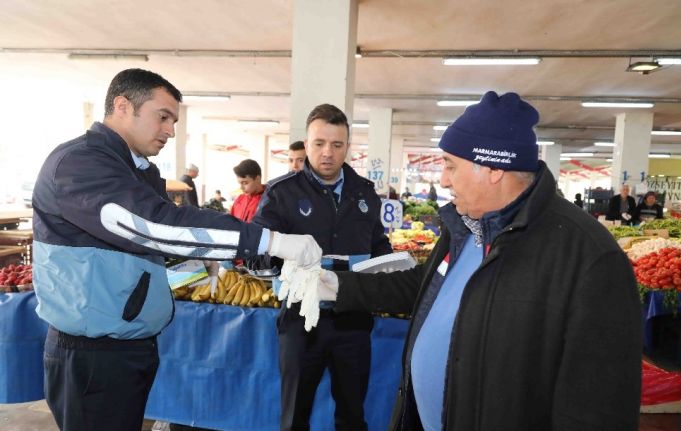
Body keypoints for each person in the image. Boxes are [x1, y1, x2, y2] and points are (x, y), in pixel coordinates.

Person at [313, 91, 642, 430]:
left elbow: (599, 409)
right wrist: (338, 286)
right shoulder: (467, 225)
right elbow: (422, 287)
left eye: (451, 166)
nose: (442, 179)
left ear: (493, 168)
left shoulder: (587, 258)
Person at [31, 68, 322, 431]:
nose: (170, 130)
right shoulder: (80, 164)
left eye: (174, 120)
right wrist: (271, 241)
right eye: (163, 117)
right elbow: (152, 226)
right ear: (123, 106)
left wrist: (198, 254)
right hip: (93, 352)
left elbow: (149, 239)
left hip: (127, 342)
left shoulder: (135, 169)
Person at [253, 104, 392, 431]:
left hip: (354, 320)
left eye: (337, 144)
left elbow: (378, 243)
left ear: (348, 147)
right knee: (295, 416)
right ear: (307, 143)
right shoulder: (282, 194)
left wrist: (390, 264)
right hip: (301, 320)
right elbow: (255, 253)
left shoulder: (365, 193)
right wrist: (283, 252)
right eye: (319, 143)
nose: (327, 152)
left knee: (352, 415)